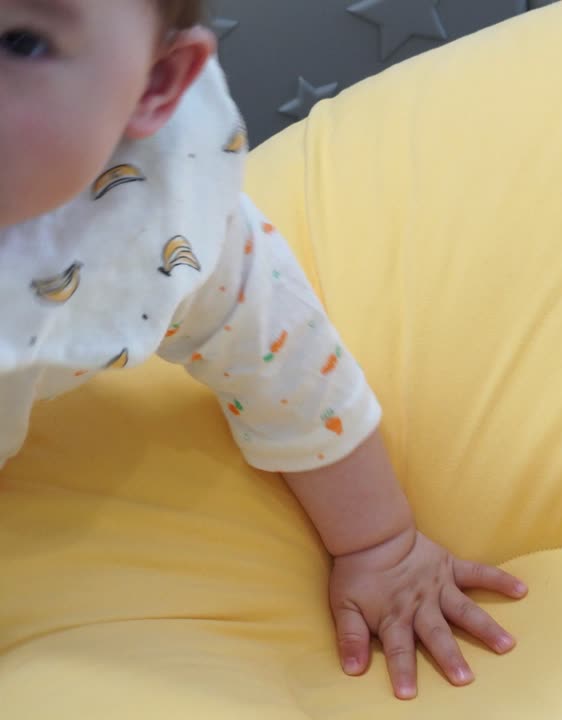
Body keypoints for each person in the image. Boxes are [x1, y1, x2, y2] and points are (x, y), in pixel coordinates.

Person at [0, 0, 527, 701]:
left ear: (154, 86)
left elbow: (276, 348)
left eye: (23, 42)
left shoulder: (147, 220)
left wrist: (381, 546)